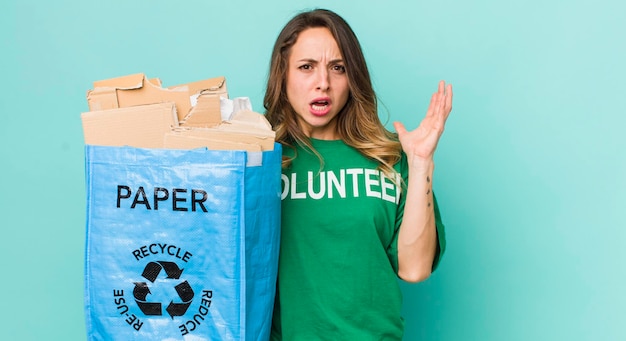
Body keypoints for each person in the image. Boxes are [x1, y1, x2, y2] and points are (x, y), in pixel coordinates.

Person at [263, 8, 453, 340]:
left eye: (338, 68)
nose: (323, 82)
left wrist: (421, 161)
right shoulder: (260, 158)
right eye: (306, 67)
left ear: (353, 79)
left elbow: (414, 269)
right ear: (284, 75)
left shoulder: (391, 157)